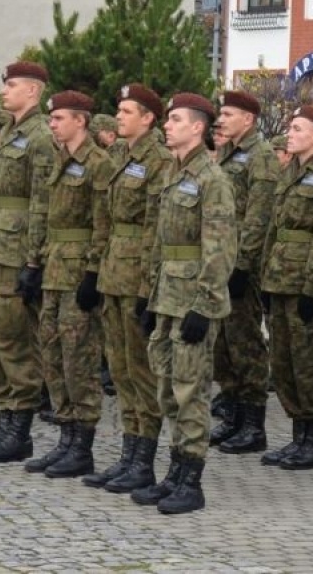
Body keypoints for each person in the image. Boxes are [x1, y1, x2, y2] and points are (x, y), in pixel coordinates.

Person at [127, 93, 236, 515]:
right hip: (167, 298)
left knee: (191, 392)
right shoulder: (173, 173)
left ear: (197, 127)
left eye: (175, 120)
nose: (167, 126)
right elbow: (160, 243)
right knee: (167, 389)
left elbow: (220, 249)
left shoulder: (213, 179)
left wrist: (205, 305)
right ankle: (173, 472)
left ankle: (191, 480)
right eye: (167, 119)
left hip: (193, 301)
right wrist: (148, 296)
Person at [0, 61, 56, 464]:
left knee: (15, 340)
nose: (5, 90)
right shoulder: (10, 132)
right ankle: (4, 418)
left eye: (12, 84)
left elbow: (42, 201)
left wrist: (34, 260)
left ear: (33, 91)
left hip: (16, 250)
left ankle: (19, 427)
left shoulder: (40, 136)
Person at [83, 83, 173, 492]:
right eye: (117, 110)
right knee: (119, 368)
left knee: (141, 370)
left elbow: (157, 229)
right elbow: (103, 218)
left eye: (126, 111)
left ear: (148, 118)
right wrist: (93, 270)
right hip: (113, 272)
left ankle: (145, 459)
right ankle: (128, 453)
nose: (118, 117)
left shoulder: (160, 159)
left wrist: (148, 287)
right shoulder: (118, 154)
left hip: (137, 274)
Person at [26, 90, 115, 477]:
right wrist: (34, 263)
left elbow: (102, 223)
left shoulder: (98, 163)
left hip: (78, 271)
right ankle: (65, 437)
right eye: (51, 118)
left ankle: (83, 445)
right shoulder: (60, 160)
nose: (52, 124)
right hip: (54, 270)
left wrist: (94, 273)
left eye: (59, 118)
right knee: (51, 351)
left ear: (80, 120)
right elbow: (47, 219)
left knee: (79, 357)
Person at [260, 104, 313, 470]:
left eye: (297, 129)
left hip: (303, 284)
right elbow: (274, 230)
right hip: (279, 278)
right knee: (283, 362)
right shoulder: (289, 173)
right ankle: (297, 436)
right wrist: (264, 276)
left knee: (310, 363)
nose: (289, 134)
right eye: (290, 129)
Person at [210, 89, 277, 454]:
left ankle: (253, 424)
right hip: (221, 258)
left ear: (248, 120)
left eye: (229, 114)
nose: (221, 119)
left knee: (245, 341)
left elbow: (258, 215)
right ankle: (232, 415)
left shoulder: (261, 156)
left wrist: (243, 264)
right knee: (223, 343)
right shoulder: (227, 152)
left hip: (241, 264)